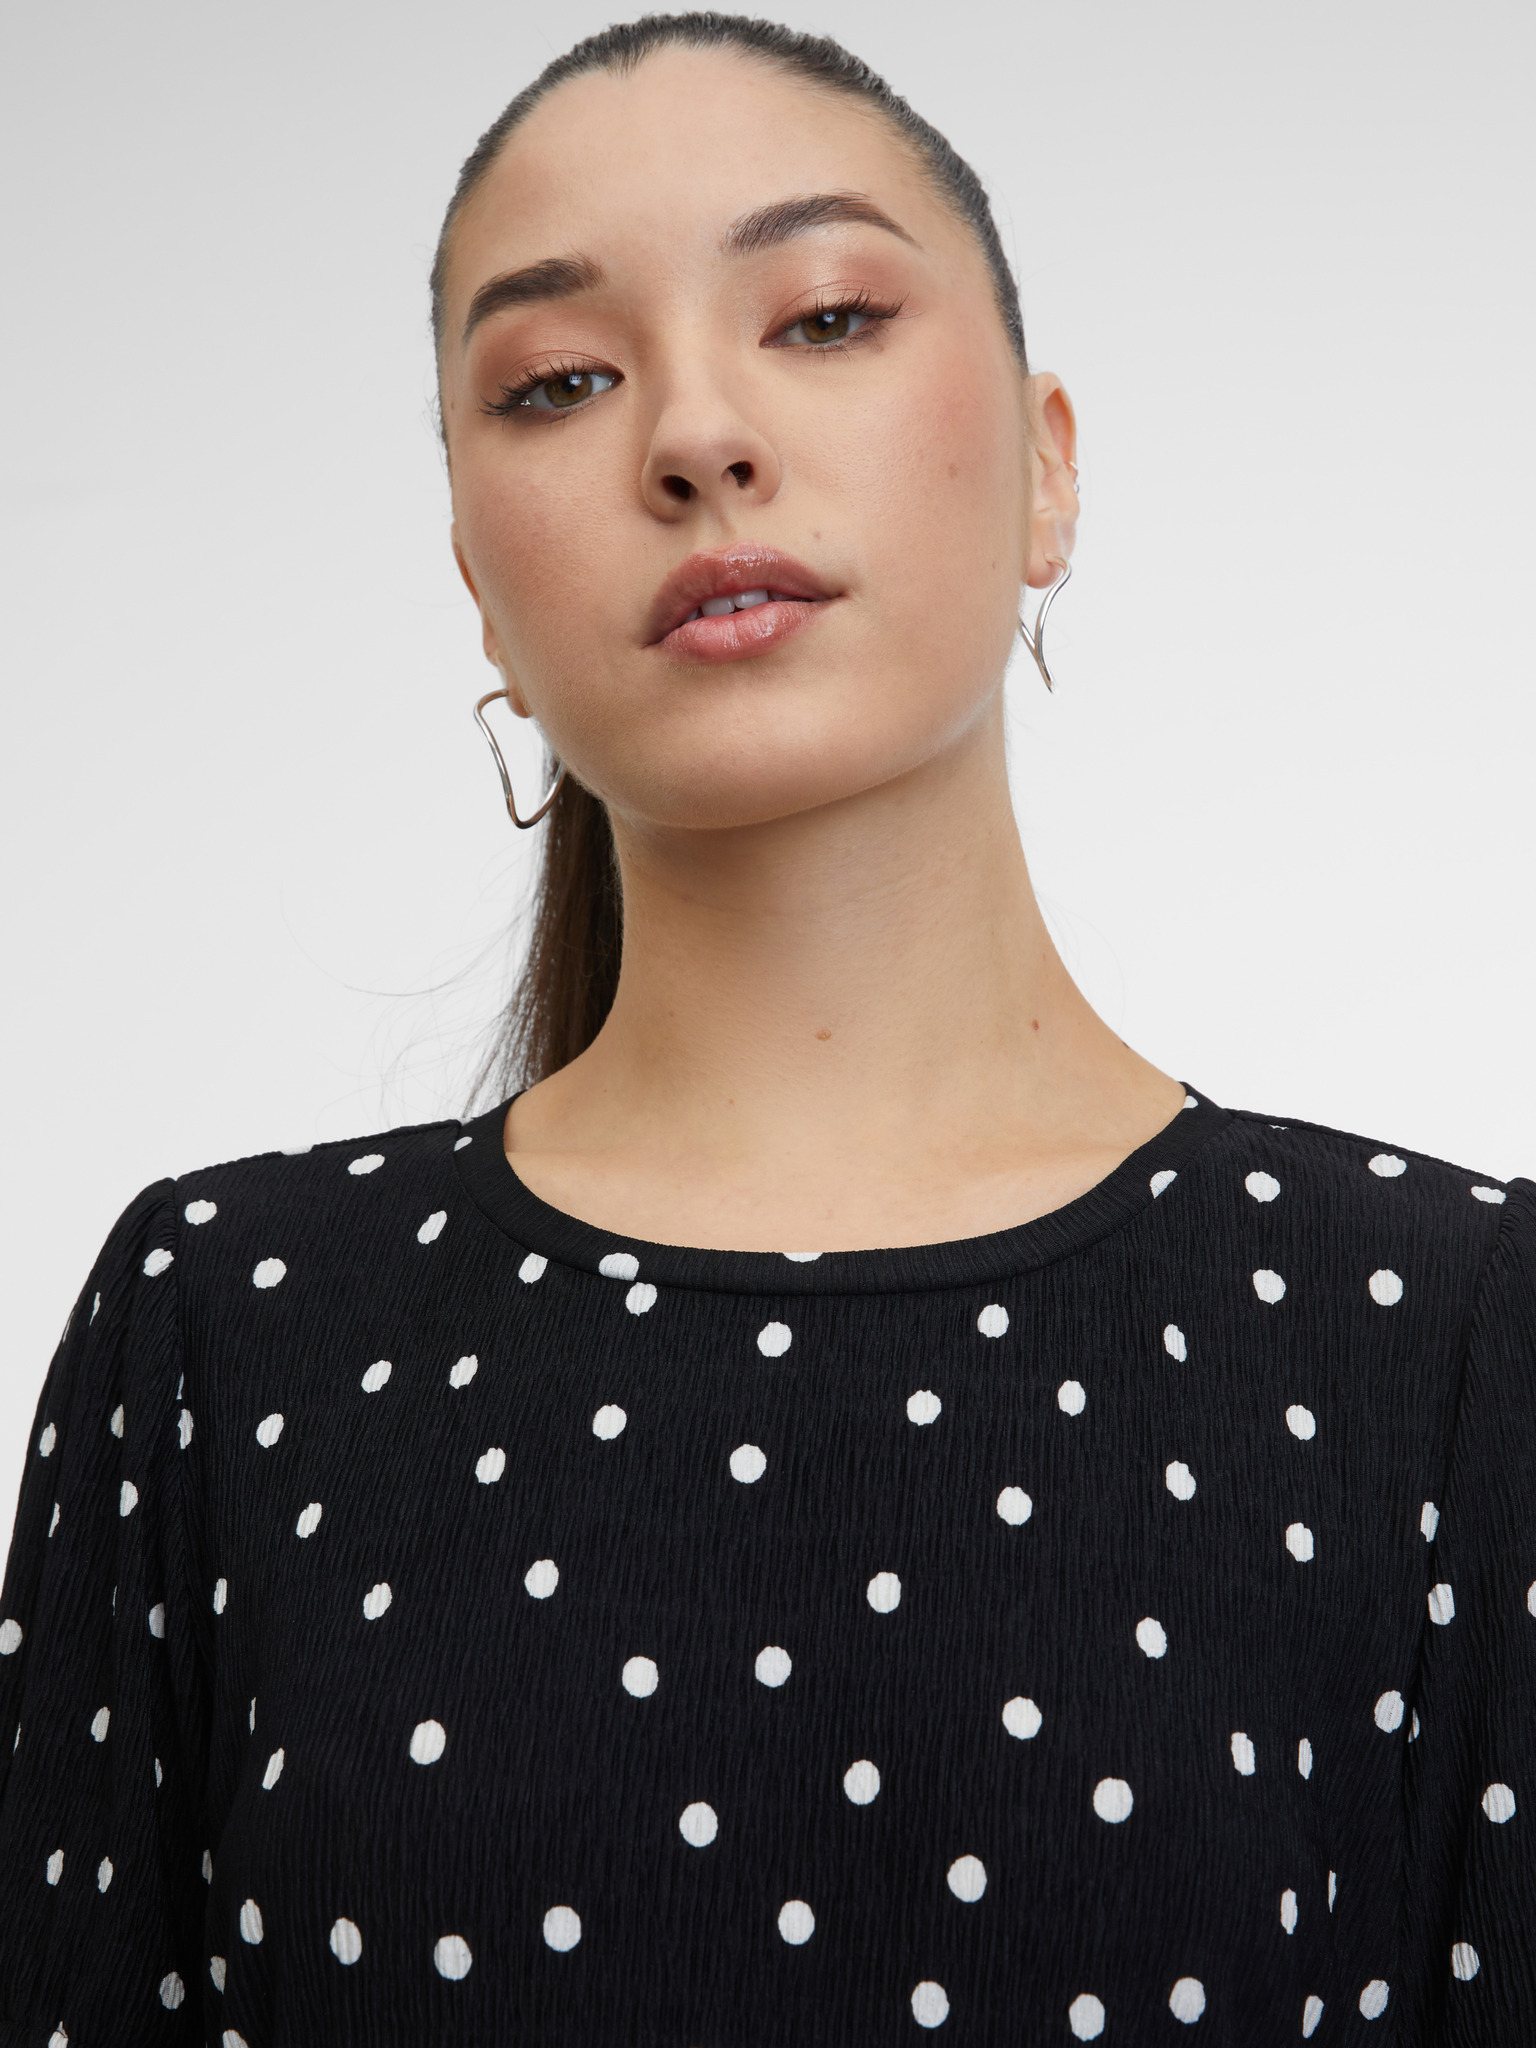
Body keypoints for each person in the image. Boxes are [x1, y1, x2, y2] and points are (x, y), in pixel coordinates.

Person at [1, 14, 1531, 2044]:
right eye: (560, 380)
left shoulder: (1456, 1333)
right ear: (477, 582)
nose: (696, 436)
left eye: (821, 317)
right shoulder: (225, 1328)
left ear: (1049, 465)